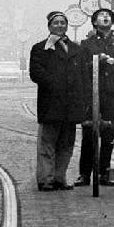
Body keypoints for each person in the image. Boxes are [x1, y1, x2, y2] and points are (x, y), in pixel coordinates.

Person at [75, 8, 114, 187]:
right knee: (88, 133)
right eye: (101, 16)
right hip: (91, 94)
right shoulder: (86, 44)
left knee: (108, 134)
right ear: (94, 22)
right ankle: (85, 174)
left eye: (108, 16)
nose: (105, 17)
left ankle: (105, 173)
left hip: (113, 94)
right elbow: (79, 68)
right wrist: (96, 61)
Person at [29, 11, 85, 192]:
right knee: (47, 144)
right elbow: (36, 73)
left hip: (71, 107)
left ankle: (60, 178)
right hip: (51, 104)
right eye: (56, 23)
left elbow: (83, 76)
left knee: (66, 144)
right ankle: (46, 179)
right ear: (49, 26)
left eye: (63, 23)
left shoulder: (76, 49)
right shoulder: (40, 49)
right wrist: (56, 84)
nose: (60, 26)